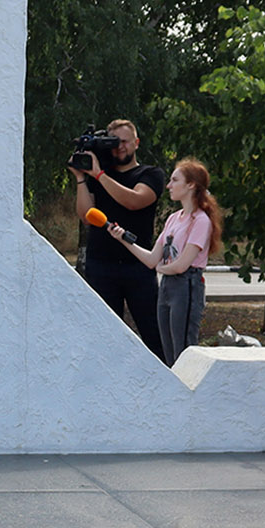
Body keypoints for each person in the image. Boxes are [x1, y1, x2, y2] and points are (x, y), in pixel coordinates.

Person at [109, 158, 222, 366]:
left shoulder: (200, 221)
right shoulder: (173, 218)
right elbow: (152, 259)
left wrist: (161, 268)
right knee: (168, 352)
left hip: (187, 285)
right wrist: (123, 238)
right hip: (168, 286)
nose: (169, 186)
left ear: (191, 185)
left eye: (174, 180)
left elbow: (182, 265)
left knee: (184, 351)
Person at [72, 119, 166, 362]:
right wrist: (81, 178)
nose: (120, 147)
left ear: (136, 143)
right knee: (105, 335)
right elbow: (86, 215)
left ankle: (165, 375)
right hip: (101, 264)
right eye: (113, 143)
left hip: (138, 266)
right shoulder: (100, 175)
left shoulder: (150, 174)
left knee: (153, 333)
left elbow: (134, 201)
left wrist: (99, 174)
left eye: (124, 141)